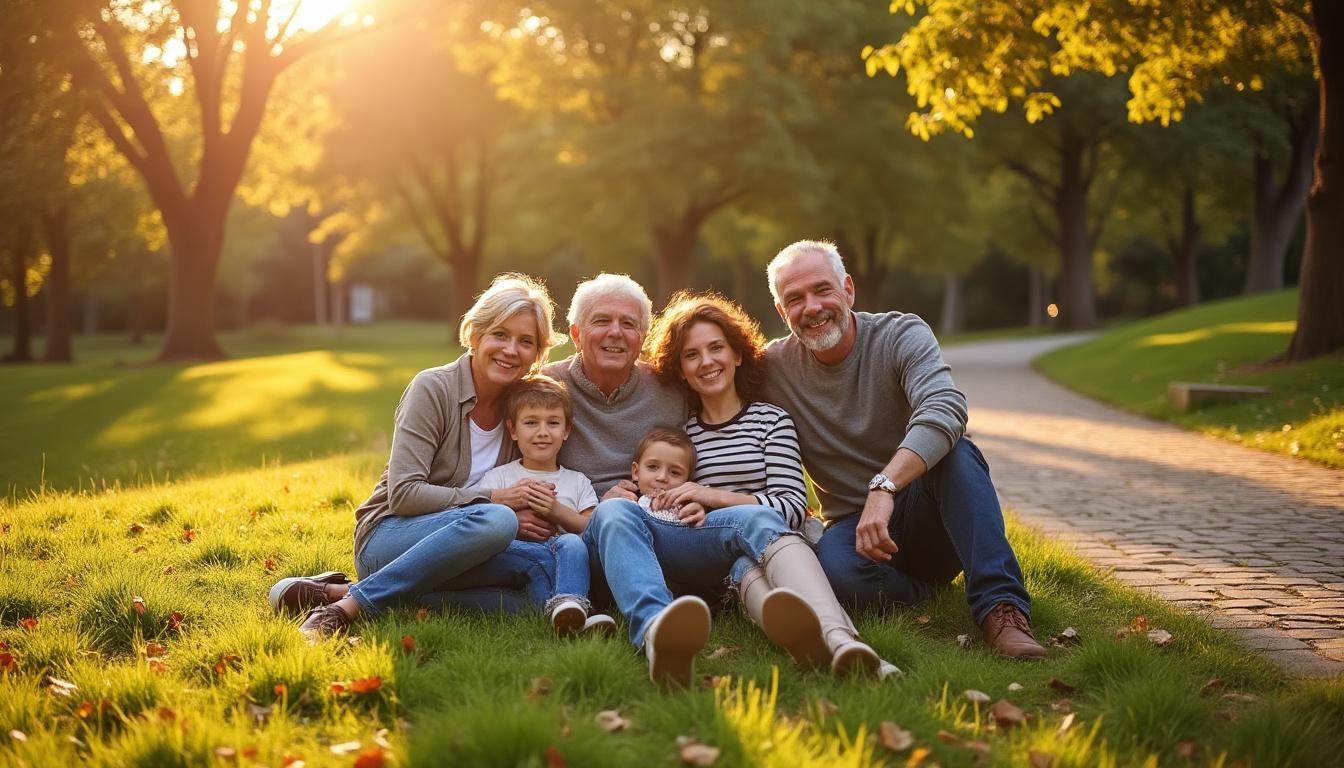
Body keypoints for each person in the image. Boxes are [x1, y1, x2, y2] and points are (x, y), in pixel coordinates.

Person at [760, 240, 1046, 659]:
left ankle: (1001, 608)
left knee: (958, 455)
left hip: (926, 508)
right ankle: (922, 594)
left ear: (848, 290)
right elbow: (704, 384)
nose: (813, 307)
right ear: (783, 314)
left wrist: (884, 487)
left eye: (823, 289)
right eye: (795, 299)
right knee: (833, 573)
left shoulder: (900, 334)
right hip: (851, 528)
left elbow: (945, 406)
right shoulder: (774, 368)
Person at [267, 274, 570, 638]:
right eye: (500, 334)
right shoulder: (433, 388)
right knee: (498, 522)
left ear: (537, 354)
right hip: (391, 536)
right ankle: (343, 609)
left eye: (526, 342)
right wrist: (493, 503)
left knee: (542, 590)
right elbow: (406, 493)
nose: (510, 350)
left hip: (473, 549)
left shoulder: (523, 408)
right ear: (476, 336)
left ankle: (347, 592)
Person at [642, 293, 891, 677]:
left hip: (783, 545)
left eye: (716, 348)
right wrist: (688, 507)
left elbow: (791, 507)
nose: (706, 362)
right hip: (725, 561)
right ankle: (820, 645)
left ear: (737, 355)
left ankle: (843, 643)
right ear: (681, 370)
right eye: (692, 355)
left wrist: (710, 496)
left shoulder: (771, 421)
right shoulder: (682, 439)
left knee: (753, 563)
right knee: (743, 568)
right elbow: (678, 506)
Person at [467, 374, 615, 635]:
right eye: (531, 423)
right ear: (513, 430)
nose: (543, 432)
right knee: (562, 551)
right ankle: (577, 609)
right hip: (514, 559)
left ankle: (568, 612)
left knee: (570, 543)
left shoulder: (576, 481)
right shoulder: (499, 478)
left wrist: (555, 511)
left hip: (562, 566)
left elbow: (589, 526)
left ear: (567, 430)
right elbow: (476, 519)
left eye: (553, 423)